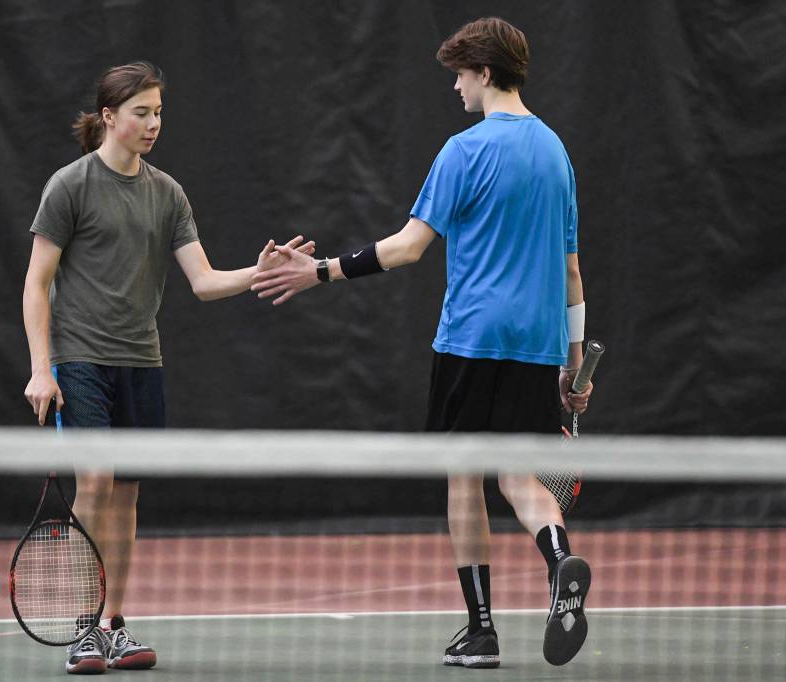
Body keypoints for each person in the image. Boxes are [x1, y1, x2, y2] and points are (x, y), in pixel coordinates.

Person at [250, 18, 594, 670]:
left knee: (464, 476)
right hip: (540, 343)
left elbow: (408, 247)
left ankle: (481, 630)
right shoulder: (557, 153)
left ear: (485, 73)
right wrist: (574, 364)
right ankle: (558, 558)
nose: (457, 88)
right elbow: (573, 271)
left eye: (461, 76)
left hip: (470, 338)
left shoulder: (462, 151)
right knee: (519, 476)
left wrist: (318, 271)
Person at [22, 61, 314, 675]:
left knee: (126, 496)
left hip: (141, 363)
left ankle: (113, 625)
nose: (154, 124)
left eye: (159, 113)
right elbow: (36, 282)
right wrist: (40, 369)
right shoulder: (69, 186)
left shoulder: (168, 193)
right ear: (109, 117)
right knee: (95, 485)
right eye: (142, 112)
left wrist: (260, 271)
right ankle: (83, 627)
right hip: (78, 360)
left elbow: (204, 282)